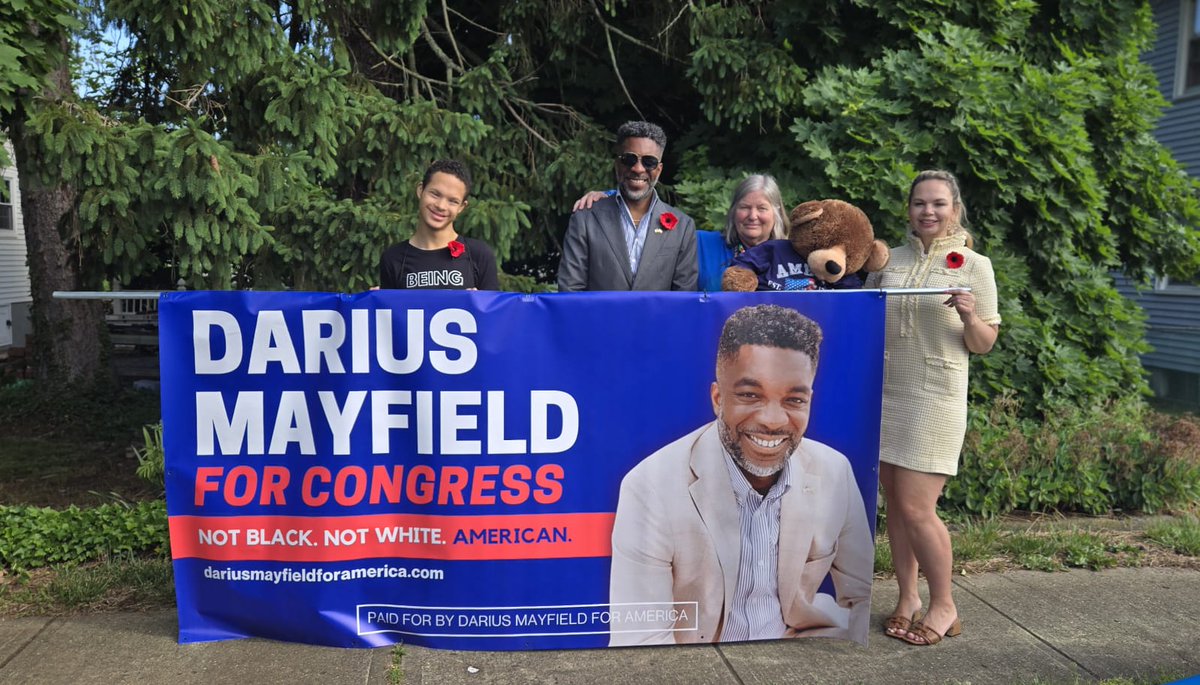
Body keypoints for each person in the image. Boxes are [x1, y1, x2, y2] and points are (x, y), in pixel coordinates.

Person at [608, 304, 874, 646]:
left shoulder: (834, 471)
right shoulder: (650, 486)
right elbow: (641, 641)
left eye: (794, 400)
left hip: (800, 649)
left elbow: (862, 597)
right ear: (718, 398)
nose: (773, 420)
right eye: (750, 395)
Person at [864, 169, 1000, 647]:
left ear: (954, 209)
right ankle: (907, 598)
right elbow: (865, 316)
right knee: (896, 509)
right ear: (909, 209)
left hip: (934, 398)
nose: (928, 211)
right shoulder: (889, 259)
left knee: (919, 508)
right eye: (920, 203)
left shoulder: (974, 265)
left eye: (938, 203)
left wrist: (968, 313)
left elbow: (983, 343)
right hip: (885, 392)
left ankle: (945, 604)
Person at [572, 174, 789, 292]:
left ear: (777, 212)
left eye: (762, 208)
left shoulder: (792, 255)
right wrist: (609, 199)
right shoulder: (702, 243)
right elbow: (657, 217)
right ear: (733, 211)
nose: (752, 216)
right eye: (744, 207)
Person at [556, 121, 698, 291]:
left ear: (659, 170)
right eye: (629, 159)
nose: (638, 168)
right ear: (617, 164)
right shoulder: (585, 218)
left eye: (649, 162)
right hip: (597, 318)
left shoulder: (683, 227)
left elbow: (683, 299)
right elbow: (570, 291)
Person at [379, 159, 500, 290]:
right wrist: (376, 302)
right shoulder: (393, 257)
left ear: (461, 207)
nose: (441, 206)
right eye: (435, 194)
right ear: (421, 190)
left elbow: (495, 310)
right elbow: (392, 309)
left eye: (453, 201)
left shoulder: (479, 255)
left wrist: (478, 304)